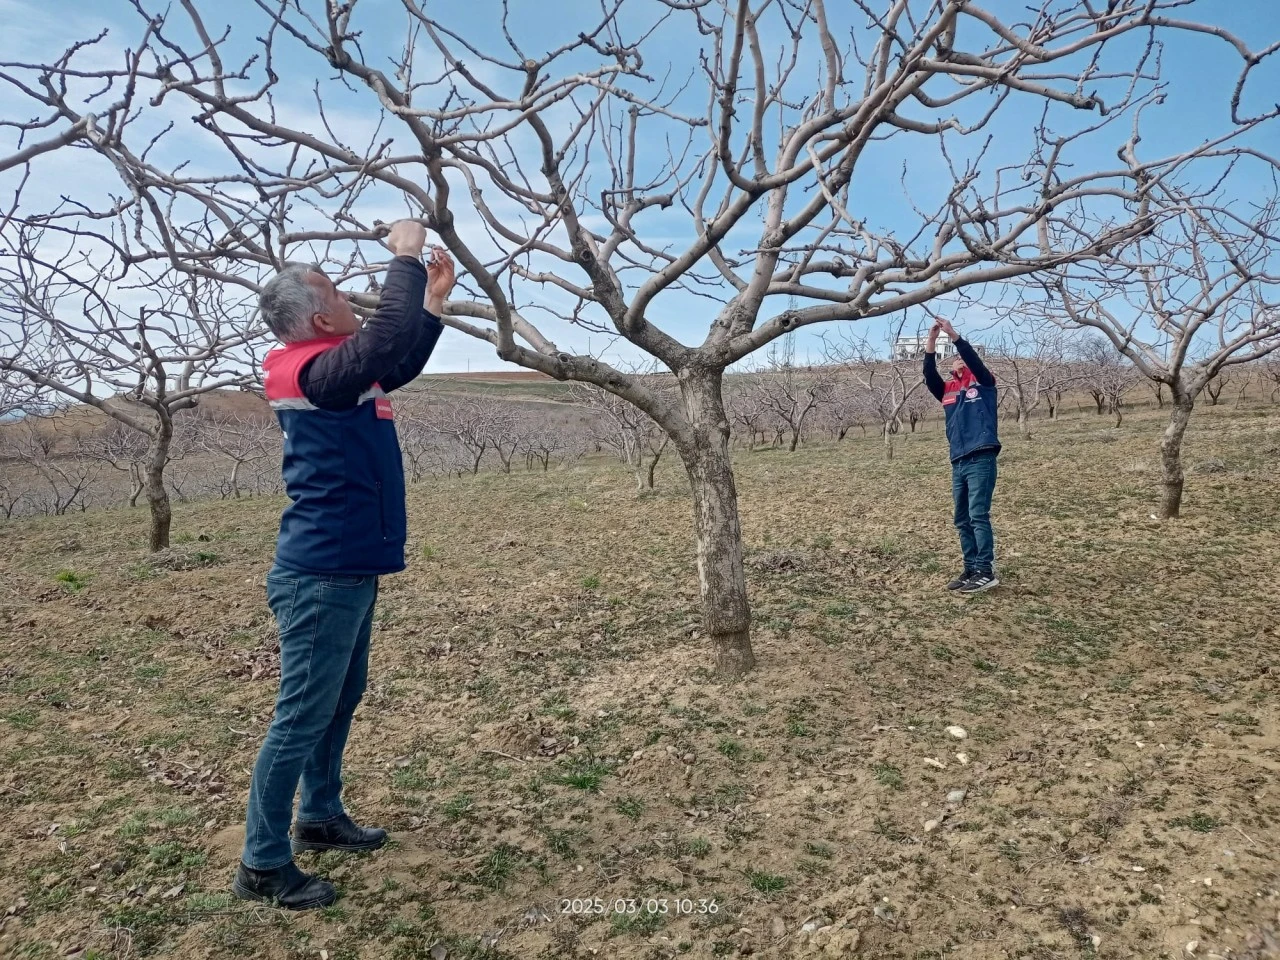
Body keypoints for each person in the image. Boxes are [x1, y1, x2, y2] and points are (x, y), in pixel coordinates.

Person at [232, 221, 455, 910]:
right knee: (300, 715)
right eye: (333, 288)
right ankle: (263, 864)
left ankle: (319, 816)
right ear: (320, 314)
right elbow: (384, 340)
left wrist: (434, 302)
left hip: (344, 568)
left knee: (338, 698)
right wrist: (406, 254)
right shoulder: (316, 371)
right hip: (321, 574)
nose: (349, 293)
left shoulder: (334, 368)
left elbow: (399, 358)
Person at [922, 317, 1001, 594]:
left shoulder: (984, 385)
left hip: (981, 455)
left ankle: (985, 570)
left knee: (978, 514)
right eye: (955, 360)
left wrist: (954, 336)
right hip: (958, 459)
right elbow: (929, 375)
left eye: (962, 360)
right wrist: (932, 342)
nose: (959, 362)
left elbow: (974, 361)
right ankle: (970, 568)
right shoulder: (948, 391)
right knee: (962, 518)